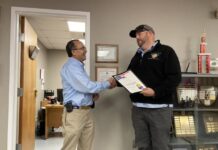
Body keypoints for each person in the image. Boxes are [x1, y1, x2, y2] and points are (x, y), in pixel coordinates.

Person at [128, 24, 181, 150]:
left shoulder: (166, 51)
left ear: (150, 33)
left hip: (159, 110)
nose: (137, 37)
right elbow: (129, 76)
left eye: (139, 34)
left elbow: (175, 78)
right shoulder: (138, 55)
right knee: (142, 146)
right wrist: (115, 81)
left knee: (160, 146)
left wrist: (155, 92)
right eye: (135, 35)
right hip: (138, 110)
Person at [60, 39, 116, 150]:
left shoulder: (79, 67)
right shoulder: (71, 67)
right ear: (73, 52)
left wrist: (91, 95)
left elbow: (82, 88)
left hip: (86, 111)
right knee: (69, 147)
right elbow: (86, 86)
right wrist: (108, 83)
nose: (85, 50)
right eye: (82, 48)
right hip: (75, 113)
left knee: (86, 146)